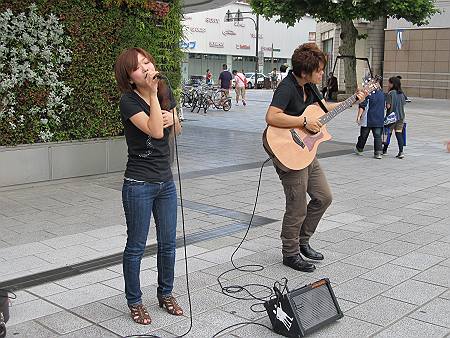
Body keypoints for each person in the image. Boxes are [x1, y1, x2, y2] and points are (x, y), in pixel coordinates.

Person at [265, 43, 366, 272]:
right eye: (319, 70)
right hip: (288, 151)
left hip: (306, 152)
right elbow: (272, 116)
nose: (322, 74)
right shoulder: (287, 87)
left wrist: (352, 100)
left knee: (323, 197)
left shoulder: (309, 87)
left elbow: (322, 109)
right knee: (297, 205)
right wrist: (302, 122)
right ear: (304, 71)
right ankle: (290, 253)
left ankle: (303, 240)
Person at [114, 47, 183, 325]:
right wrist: (155, 100)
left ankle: (166, 293)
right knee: (136, 246)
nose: (146, 67)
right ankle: (135, 301)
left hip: (165, 182)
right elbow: (155, 131)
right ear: (130, 78)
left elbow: (175, 130)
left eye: (147, 61)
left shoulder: (165, 90)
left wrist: (173, 118)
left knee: (168, 243)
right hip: (138, 183)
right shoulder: (128, 101)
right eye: (138, 66)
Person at [354, 79, 385, 159]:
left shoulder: (367, 95)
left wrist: (358, 117)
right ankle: (378, 153)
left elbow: (362, 106)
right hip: (379, 119)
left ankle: (359, 149)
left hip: (368, 120)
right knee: (377, 136)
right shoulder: (382, 94)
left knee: (363, 135)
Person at [383, 76, 406, 158]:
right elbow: (403, 103)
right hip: (400, 117)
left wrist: (386, 103)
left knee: (387, 133)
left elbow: (388, 106)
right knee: (399, 134)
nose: (388, 84)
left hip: (391, 118)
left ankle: (384, 150)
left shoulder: (390, 93)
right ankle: (401, 152)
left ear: (392, 84)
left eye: (389, 83)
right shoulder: (402, 93)